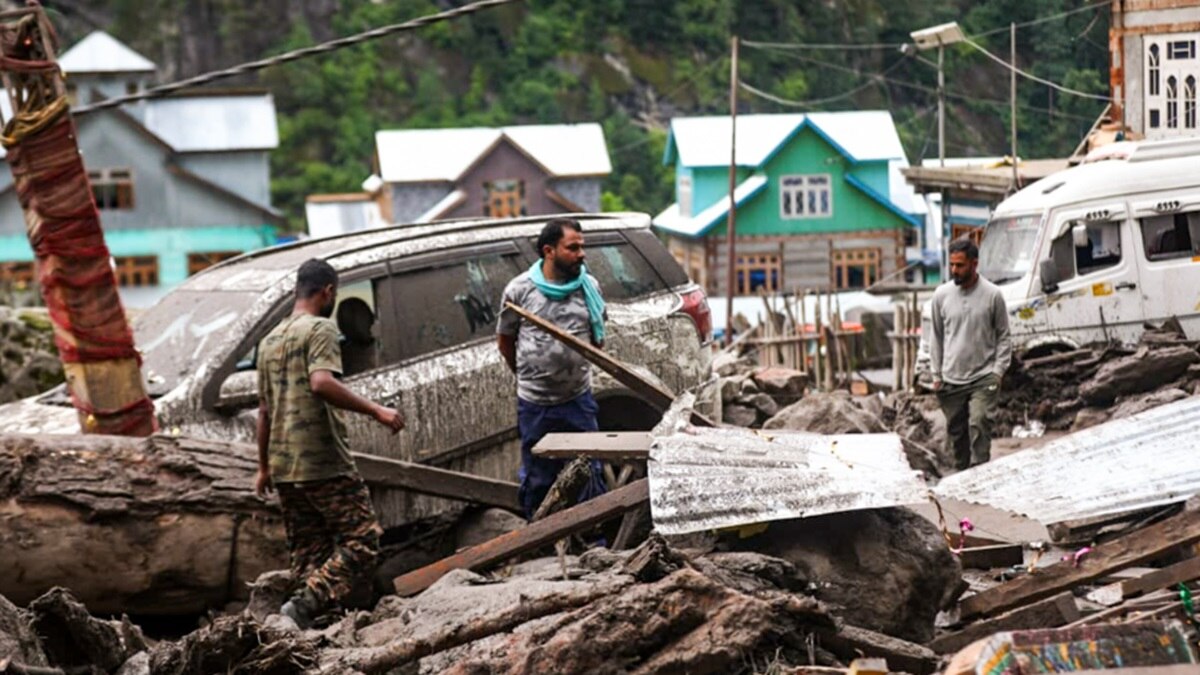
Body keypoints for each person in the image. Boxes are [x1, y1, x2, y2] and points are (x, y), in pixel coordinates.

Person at [255, 258, 404, 628]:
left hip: (285, 465)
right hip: (322, 460)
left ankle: (311, 624)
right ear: (329, 292)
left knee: (311, 551)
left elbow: (263, 411)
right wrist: (376, 411)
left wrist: (263, 468)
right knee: (363, 539)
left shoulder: (269, 340)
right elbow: (321, 382)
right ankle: (303, 607)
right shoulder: (320, 329)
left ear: (295, 291)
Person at [496, 218, 609, 519]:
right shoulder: (519, 290)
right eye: (573, 248)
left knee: (589, 469)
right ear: (549, 251)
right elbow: (505, 341)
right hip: (536, 404)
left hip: (578, 399)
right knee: (539, 475)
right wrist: (529, 376)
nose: (581, 253)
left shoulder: (589, 286)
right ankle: (541, 538)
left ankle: (594, 536)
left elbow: (598, 337)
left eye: (582, 246)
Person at [930, 239, 1012, 471]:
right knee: (957, 433)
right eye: (952, 265)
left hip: (984, 376)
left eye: (960, 265)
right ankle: (962, 475)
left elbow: (1004, 336)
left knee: (979, 423)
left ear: (974, 264)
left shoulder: (993, 295)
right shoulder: (941, 295)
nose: (954, 270)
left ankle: (980, 474)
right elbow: (935, 337)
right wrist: (936, 374)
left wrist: (997, 372)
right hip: (950, 378)